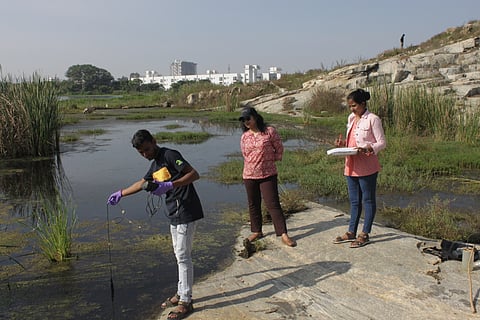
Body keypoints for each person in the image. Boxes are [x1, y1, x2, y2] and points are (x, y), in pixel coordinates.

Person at [107, 129, 203, 320]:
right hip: (174, 212)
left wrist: (170, 185)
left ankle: (186, 301)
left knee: (183, 256)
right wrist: (121, 193)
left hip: (187, 209)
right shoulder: (155, 164)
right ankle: (180, 292)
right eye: (141, 152)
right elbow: (142, 183)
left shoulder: (169, 155)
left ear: (154, 141)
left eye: (147, 149)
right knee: (178, 254)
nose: (145, 154)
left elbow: (194, 174)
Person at [333, 89, 386, 248]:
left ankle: (365, 233)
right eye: (350, 106)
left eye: (354, 106)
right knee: (354, 200)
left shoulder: (373, 119)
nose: (352, 109)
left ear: (363, 103)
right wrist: (342, 145)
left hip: (367, 166)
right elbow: (352, 141)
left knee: (368, 199)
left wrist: (368, 148)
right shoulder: (351, 118)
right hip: (351, 164)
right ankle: (351, 231)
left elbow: (382, 142)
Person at [239, 107, 296, 248]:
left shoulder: (269, 131)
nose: (246, 122)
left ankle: (283, 233)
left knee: (273, 203)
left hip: (268, 174)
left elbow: (279, 148)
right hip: (249, 174)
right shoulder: (245, 136)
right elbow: (245, 155)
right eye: (243, 120)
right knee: (253, 203)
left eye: (248, 118)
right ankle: (257, 231)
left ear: (255, 117)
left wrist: (271, 160)